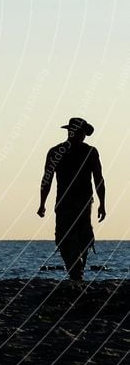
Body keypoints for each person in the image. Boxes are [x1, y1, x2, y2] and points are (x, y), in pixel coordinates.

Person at [37, 117, 106, 281]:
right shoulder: (57, 152)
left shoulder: (89, 152)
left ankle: (77, 270)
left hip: (80, 202)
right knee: (67, 236)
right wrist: (42, 203)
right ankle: (76, 270)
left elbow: (98, 179)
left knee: (81, 236)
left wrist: (102, 204)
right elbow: (47, 179)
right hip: (68, 202)